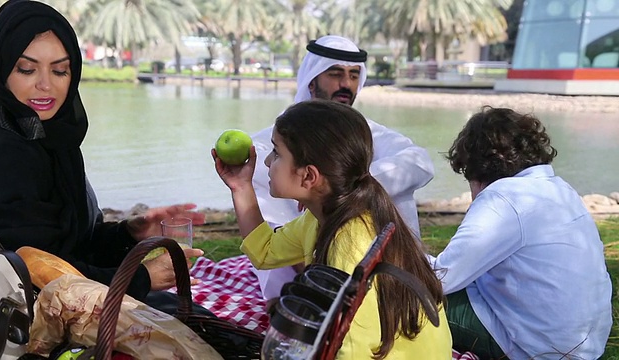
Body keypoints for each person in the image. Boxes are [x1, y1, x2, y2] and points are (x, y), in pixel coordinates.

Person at [0, 0, 204, 302]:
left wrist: (129, 233)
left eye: (60, 70)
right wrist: (140, 278)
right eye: (27, 69)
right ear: (0, 69)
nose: (45, 85)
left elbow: (69, 246)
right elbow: (33, 274)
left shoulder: (54, 140)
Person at [213, 100, 451, 359]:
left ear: (309, 176)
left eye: (277, 152)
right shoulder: (322, 217)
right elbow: (266, 253)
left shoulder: (349, 242)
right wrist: (241, 187)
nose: (268, 162)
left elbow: (352, 348)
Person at [250, 35, 434, 299]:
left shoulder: (368, 133)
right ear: (312, 80)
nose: (346, 84)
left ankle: (395, 284)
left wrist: (344, 188)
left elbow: (420, 163)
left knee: (400, 182)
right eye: (336, 74)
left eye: (353, 75)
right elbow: (273, 235)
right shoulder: (271, 144)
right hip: (297, 270)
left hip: (367, 258)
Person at [429, 106, 612, 359]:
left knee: (409, 294)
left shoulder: (503, 197)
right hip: (586, 345)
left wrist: (401, 256)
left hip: (540, 349)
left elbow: (440, 278)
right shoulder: (560, 188)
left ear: (475, 166)